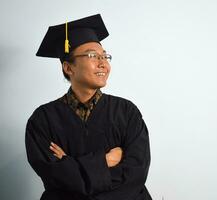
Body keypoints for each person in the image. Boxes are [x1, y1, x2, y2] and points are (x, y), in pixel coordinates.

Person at [25, 14, 152, 200]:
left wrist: (70, 163)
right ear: (68, 68)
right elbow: (54, 179)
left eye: (105, 56)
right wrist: (105, 161)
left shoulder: (127, 112)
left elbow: (135, 175)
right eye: (93, 55)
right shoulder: (43, 119)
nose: (103, 63)